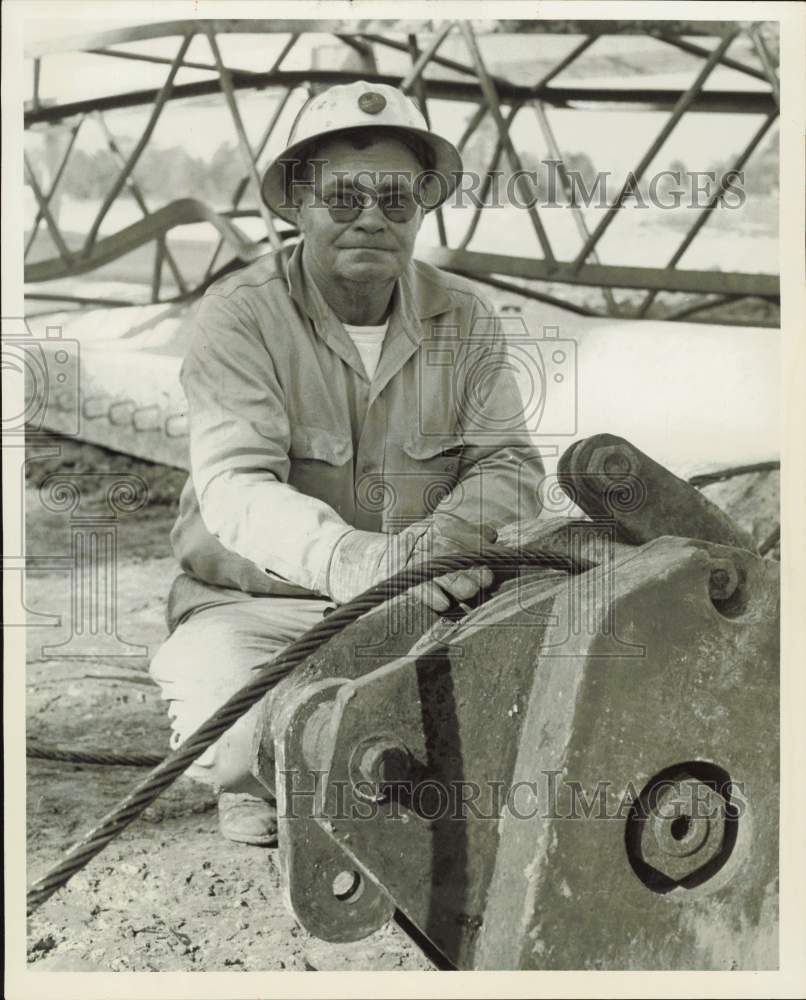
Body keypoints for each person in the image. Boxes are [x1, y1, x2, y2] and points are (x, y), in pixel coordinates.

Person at [149, 81, 545, 846]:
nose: (372, 216)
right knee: (228, 743)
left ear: (422, 211)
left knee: (523, 706)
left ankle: (319, 759)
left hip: (421, 595)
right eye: (344, 197)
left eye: (396, 200)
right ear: (297, 204)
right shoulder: (241, 314)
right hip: (265, 605)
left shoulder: (465, 317)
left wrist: (442, 539)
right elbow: (233, 485)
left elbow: (511, 466)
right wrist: (356, 557)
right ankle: (263, 769)